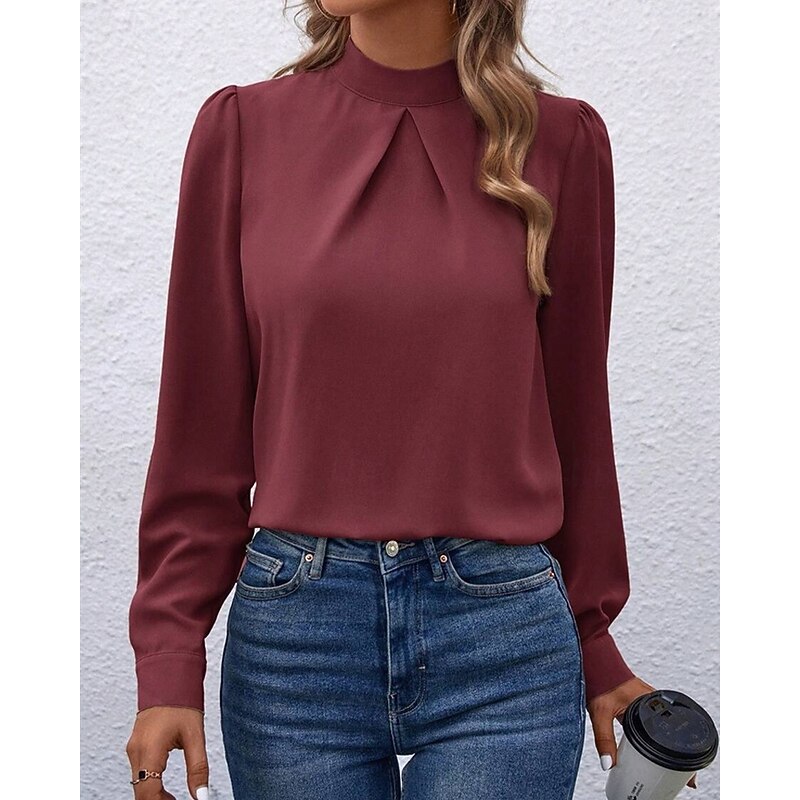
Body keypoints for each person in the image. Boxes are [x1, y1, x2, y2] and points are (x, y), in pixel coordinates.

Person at [125, 3, 695, 799]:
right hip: (296, 648)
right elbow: (201, 427)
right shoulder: (243, 131)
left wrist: (595, 640)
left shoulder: (561, 141)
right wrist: (168, 657)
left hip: (504, 643)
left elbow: (576, 421)